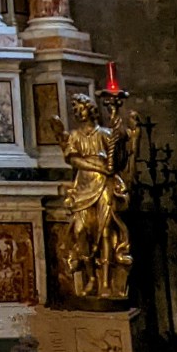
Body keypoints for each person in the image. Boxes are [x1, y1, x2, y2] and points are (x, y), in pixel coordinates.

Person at [52, 93, 135, 298]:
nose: (79, 112)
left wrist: (121, 137)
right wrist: (97, 166)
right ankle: (90, 277)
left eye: (81, 108)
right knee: (80, 230)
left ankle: (105, 281)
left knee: (105, 230)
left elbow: (119, 160)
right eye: (75, 109)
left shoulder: (105, 134)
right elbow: (74, 160)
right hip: (84, 186)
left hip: (103, 185)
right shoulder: (75, 136)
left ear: (91, 109)